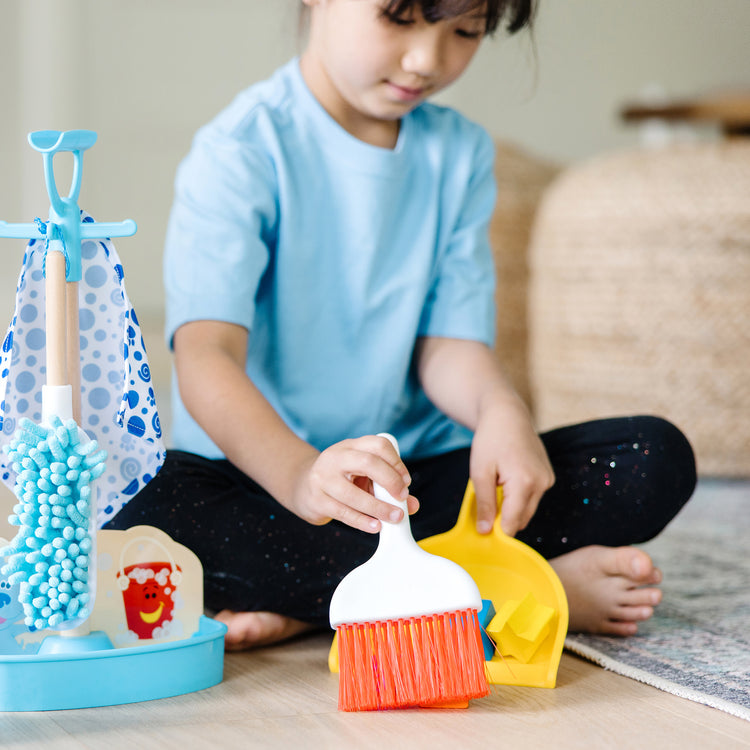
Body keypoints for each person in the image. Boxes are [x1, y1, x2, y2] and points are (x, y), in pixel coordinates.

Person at [106, 0, 696, 650]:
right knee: (148, 525)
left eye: (465, 32)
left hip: (412, 484)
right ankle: (511, 594)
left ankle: (324, 604)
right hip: (262, 481)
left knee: (653, 457)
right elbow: (206, 356)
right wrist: (304, 475)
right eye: (398, 19)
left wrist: (502, 411)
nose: (428, 59)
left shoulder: (460, 153)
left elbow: (447, 345)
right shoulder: (240, 151)